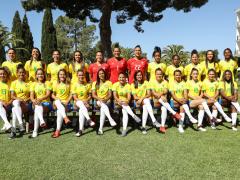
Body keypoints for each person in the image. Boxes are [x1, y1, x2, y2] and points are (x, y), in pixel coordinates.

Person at [151, 68, 182, 133]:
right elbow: (154, 93)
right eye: (158, 74)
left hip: (164, 102)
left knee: (164, 108)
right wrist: (161, 95)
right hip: (155, 101)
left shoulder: (165, 82)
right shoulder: (152, 82)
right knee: (161, 98)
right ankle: (174, 113)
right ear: (155, 75)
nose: (159, 75)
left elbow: (166, 91)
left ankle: (162, 126)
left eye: (160, 74)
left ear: (162, 75)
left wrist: (161, 94)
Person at [131, 70, 160, 135]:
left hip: (144, 101)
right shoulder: (133, 84)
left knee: (145, 105)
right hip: (137, 102)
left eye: (140, 75)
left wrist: (142, 99)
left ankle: (143, 127)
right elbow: (135, 97)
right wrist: (141, 99)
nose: (139, 76)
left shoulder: (146, 82)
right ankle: (154, 120)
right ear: (135, 76)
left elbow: (149, 94)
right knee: (146, 101)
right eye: (138, 75)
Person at [112, 72, 141, 136]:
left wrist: (127, 101)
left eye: (123, 77)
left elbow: (128, 97)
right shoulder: (115, 85)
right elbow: (115, 96)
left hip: (125, 103)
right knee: (124, 106)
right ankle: (133, 116)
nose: (121, 79)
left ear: (125, 78)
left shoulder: (128, 85)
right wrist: (118, 101)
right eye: (120, 77)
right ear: (118, 78)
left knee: (125, 111)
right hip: (117, 102)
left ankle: (124, 130)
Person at [92, 69, 116, 135]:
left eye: (102, 73)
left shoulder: (109, 83)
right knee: (102, 105)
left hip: (106, 101)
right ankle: (110, 119)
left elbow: (110, 94)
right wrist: (99, 99)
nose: (101, 75)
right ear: (98, 75)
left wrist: (106, 99)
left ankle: (100, 129)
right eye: (100, 74)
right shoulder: (95, 83)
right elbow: (93, 95)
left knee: (103, 109)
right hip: (97, 101)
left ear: (105, 74)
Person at [10, 64, 31, 138]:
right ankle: (20, 125)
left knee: (14, 107)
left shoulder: (28, 84)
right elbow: (12, 95)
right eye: (20, 72)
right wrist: (18, 99)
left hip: (26, 105)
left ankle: (15, 129)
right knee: (15, 105)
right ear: (17, 73)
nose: (21, 74)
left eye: (23, 72)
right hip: (17, 104)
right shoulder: (13, 83)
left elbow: (31, 97)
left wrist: (26, 99)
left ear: (25, 73)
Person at [72, 70, 95, 137]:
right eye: (79, 75)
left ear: (84, 76)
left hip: (85, 103)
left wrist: (86, 101)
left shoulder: (87, 85)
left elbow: (90, 96)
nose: (81, 76)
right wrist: (83, 102)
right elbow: (75, 97)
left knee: (81, 110)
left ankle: (80, 130)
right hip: (77, 103)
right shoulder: (74, 85)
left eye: (82, 75)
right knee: (79, 103)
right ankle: (89, 120)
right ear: (77, 76)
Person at [30, 68, 52, 138]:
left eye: (41, 74)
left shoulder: (47, 83)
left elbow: (48, 94)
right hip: (37, 104)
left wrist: (40, 99)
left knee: (37, 108)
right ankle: (41, 122)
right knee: (37, 107)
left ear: (44, 75)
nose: (40, 75)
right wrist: (34, 101)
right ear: (36, 75)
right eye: (38, 74)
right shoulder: (33, 84)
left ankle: (35, 131)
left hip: (46, 103)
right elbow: (31, 96)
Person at [51, 69, 72, 138]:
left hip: (66, 104)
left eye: (63, 74)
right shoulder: (56, 83)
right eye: (60, 74)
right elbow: (52, 95)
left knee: (59, 111)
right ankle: (65, 118)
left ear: (66, 75)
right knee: (57, 101)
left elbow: (71, 94)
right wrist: (57, 98)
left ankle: (58, 131)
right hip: (57, 103)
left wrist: (67, 101)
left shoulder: (69, 84)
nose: (62, 76)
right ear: (58, 76)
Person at [0, 67, 14, 134]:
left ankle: (6, 124)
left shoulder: (11, 83)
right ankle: (7, 123)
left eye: (4, 74)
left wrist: (8, 102)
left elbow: (13, 96)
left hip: (10, 104)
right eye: (0, 74)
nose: (2, 75)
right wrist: (2, 101)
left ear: (7, 74)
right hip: (1, 104)